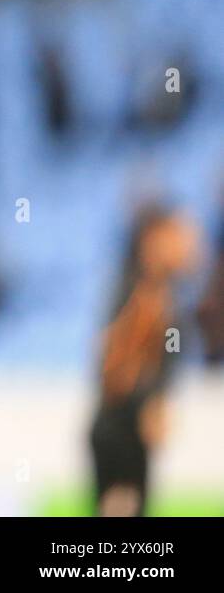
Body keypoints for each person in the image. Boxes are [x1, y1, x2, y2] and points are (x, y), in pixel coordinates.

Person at [88, 204, 200, 517]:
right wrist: (150, 400)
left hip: (133, 428)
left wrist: (160, 396)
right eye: (177, 237)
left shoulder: (169, 295)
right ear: (153, 240)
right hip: (120, 428)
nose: (188, 246)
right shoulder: (138, 291)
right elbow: (114, 366)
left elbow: (172, 352)